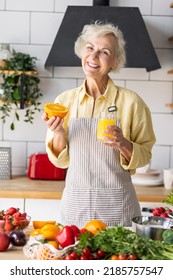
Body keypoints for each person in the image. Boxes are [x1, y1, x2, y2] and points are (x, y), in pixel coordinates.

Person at [42, 21, 156, 228]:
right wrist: (58, 133)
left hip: (118, 206)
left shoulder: (131, 102)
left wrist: (123, 143)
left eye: (104, 51)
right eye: (90, 48)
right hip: (76, 205)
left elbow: (145, 155)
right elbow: (60, 162)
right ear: (81, 52)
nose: (94, 56)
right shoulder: (63, 102)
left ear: (115, 61)